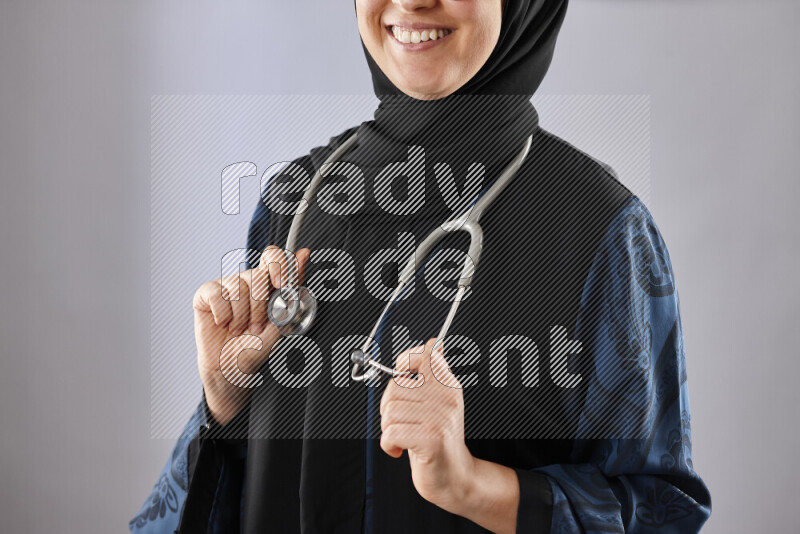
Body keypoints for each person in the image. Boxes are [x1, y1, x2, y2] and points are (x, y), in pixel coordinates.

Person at [131, 0, 712, 532]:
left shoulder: (599, 227)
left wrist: (473, 486)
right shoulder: (295, 200)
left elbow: (664, 514)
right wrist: (224, 407)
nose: (412, 2)